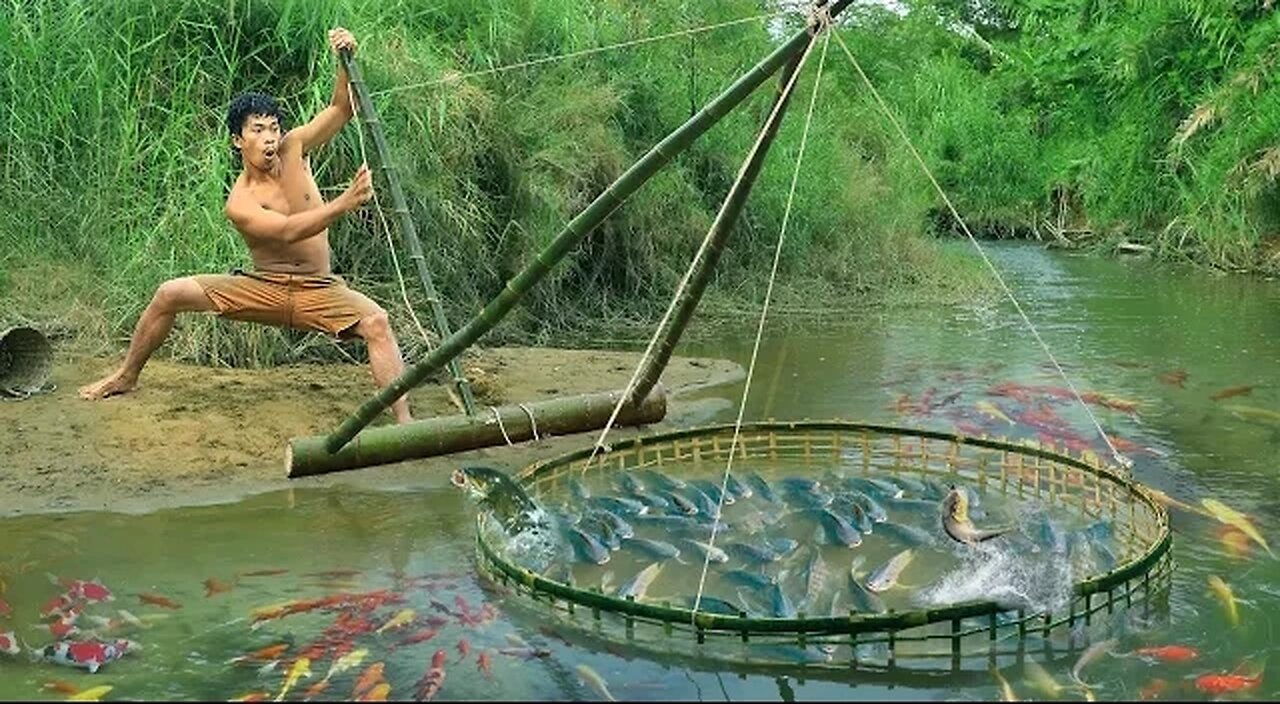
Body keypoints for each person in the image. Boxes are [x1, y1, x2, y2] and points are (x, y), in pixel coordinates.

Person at [79, 27, 412, 423]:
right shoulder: (240, 201)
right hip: (264, 288)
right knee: (169, 293)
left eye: (274, 127)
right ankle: (125, 375)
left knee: (376, 321)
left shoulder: (295, 147)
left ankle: (404, 423)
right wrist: (345, 203)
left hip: (318, 288)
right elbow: (289, 230)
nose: (270, 138)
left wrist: (346, 58)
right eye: (258, 130)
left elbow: (342, 109)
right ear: (238, 140)